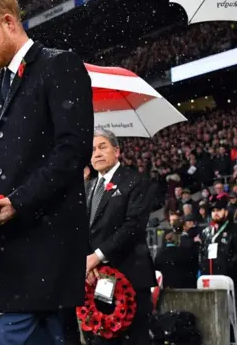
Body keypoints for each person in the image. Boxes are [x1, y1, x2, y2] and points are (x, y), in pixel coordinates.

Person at [0, 0, 93, 344]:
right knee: (52, 337)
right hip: (14, 242)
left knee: (10, 336)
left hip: (50, 238)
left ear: (9, 21)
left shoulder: (58, 65)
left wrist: (18, 202)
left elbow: (72, 150)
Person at [86, 129, 156, 344]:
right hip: (101, 279)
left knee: (134, 338)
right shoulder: (88, 187)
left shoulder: (136, 181)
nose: (97, 153)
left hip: (131, 274)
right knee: (106, 335)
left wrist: (97, 256)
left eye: (103, 146)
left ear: (116, 151)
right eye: (92, 149)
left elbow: (133, 226)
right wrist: (88, 263)